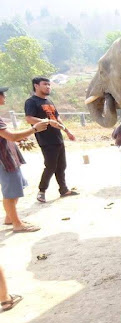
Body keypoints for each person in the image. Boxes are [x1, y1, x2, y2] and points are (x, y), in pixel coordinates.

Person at [0, 86, 49, 232]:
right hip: (4, 159)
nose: (4, 96)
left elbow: (8, 136)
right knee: (10, 192)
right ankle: (17, 224)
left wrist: (19, 138)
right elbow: (11, 136)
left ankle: (10, 218)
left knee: (16, 187)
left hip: (8, 156)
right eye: (2, 94)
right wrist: (35, 129)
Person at [24, 76, 79, 203]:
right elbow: (29, 119)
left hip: (57, 137)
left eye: (49, 85)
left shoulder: (49, 101)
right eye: (45, 84)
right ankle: (42, 191)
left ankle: (64, 190)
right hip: (45, 139)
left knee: (61, 166)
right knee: (50, 166)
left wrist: (67, 131)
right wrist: (47, 122)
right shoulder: (31, 102)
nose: (48, 87)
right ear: (36, 86)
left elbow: (57, 118)